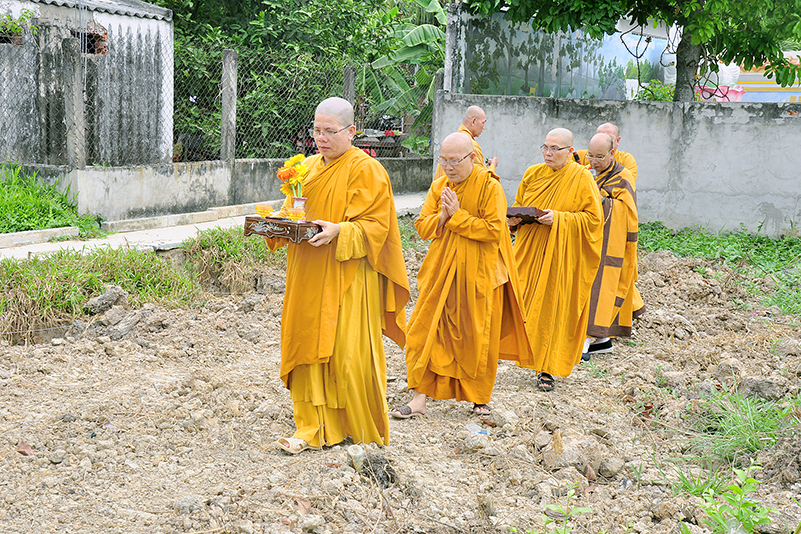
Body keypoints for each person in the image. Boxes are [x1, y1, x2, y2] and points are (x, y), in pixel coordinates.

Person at [264, 97, 410, 454]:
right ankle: (310, 427)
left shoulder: (367, 170)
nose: (321, 138)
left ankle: (355, 426)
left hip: (348, 276)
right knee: (305, 343)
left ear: (351, 131)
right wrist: (275, 223)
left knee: (346, 353)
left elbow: (378, 227)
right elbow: (293, 211)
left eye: (330, 131)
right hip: (306, 273)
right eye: (317, 130)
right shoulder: (306, 167)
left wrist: (340, 231)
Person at [390, 132, 532, 418]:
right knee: (424, 332)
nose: (448, 167)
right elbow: (422, 227)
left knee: (476, 337)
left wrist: (457, 217)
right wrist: (443, 217)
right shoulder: (439, 186)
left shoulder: (489, 186)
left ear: (472, 157)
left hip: (479, 274)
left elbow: (494, 230)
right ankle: (419, 398)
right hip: (441, 271)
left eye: (455, 161)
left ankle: (479, 399)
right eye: (444, 160)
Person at [508, 128, 603, 392]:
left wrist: (559, 218)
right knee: (520, 303)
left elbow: (594, 220)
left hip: (560, 255)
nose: (548, 153)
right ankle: (515, 352)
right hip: (529, 250)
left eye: (555, 149)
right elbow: (519, 204)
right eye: (545, 147)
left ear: (570, 151)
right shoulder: (533, 174)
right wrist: (514, 221)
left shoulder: (582, 178)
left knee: (551, 307)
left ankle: (547, 367)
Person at [580, 133, 639, 360]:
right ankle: (603, 340)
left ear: (612, 153)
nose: (593, 161)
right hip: (588, 238)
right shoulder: (588, 170)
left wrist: (600, 199)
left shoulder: (622, 176)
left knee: (601, 286)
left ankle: (586, 338)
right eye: (591, 156)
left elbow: (626, 210)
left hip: (610, 241)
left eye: (599, 157)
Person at [576, 122, 638, 187]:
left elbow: (627, 185)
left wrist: (594, 189)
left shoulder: (626, 159)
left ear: (617, 141)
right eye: (600, 138)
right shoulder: (581, 156)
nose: (594, 162)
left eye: (600, 157)